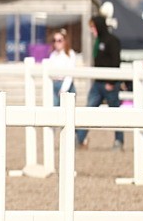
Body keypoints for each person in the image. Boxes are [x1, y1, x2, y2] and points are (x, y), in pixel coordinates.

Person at [75, 15, 124, 149]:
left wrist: (112, 82)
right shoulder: (98, 41)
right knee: (89, 110)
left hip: (110, 84)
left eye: (93, 27)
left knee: (115, 113)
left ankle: (119, 140)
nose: (91, 30)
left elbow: (116, 62)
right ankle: (79, 137)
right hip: (97, 83)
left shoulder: (112, 41)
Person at [45, 29, 77, 108]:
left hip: (66, 85)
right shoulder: (53, 54)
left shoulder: (70, 53)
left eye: (59, 40)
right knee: (54, 112)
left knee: (67, 112)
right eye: (54, 40)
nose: (56, 43)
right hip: (55, 84)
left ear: (64, 41)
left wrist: (64, 89)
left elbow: (70, 75)